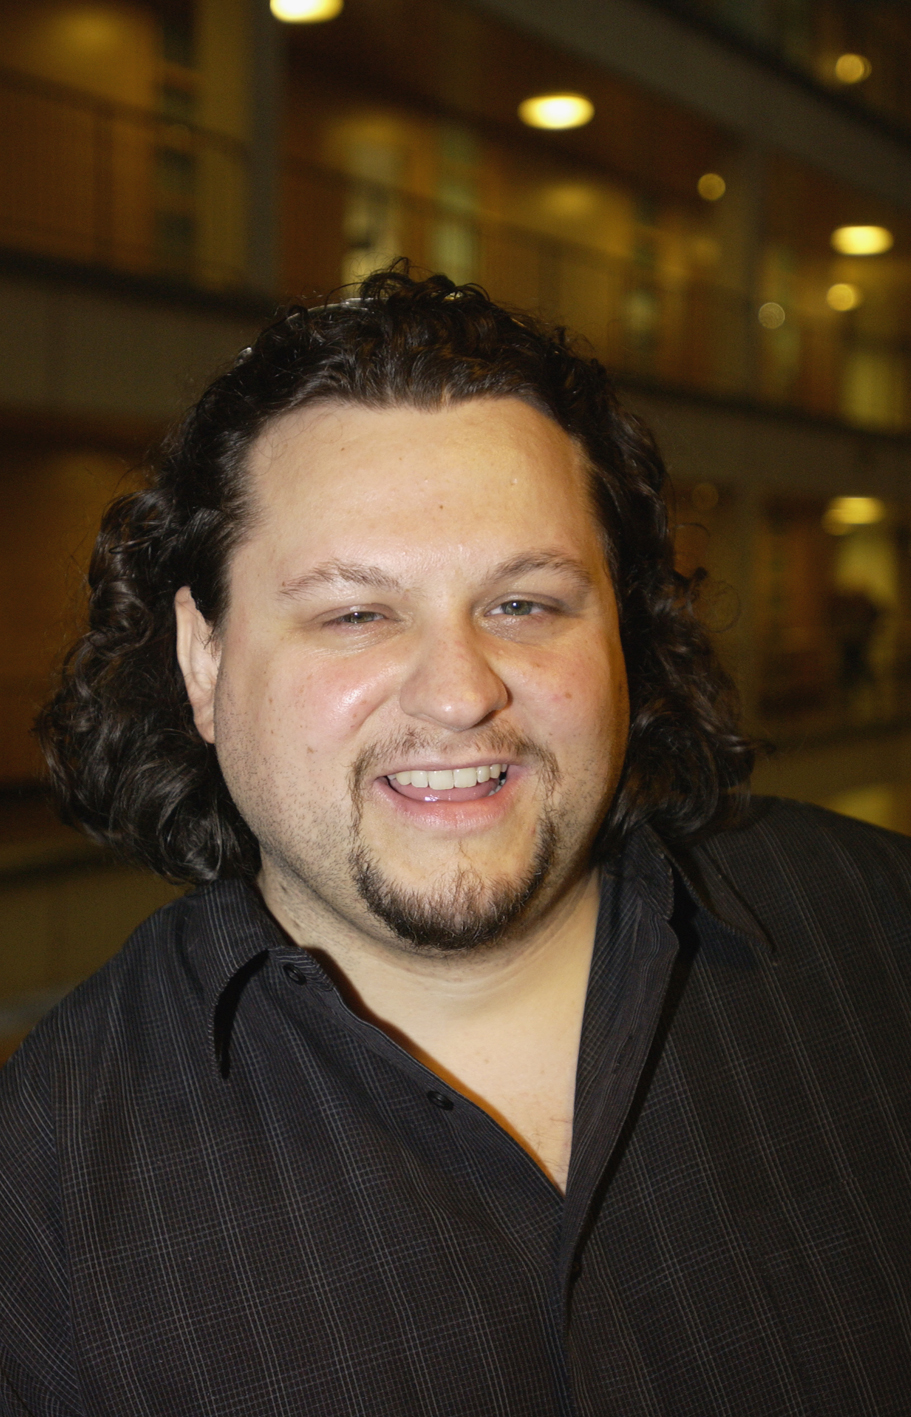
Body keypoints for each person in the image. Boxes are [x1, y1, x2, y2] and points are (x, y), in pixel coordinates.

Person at [2, 268, 910, 1416]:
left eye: (523, 603)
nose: (457, 692)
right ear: (204, 660)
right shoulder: (47, 1180)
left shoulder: (877, 930)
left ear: (621, 630)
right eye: (354, 613)